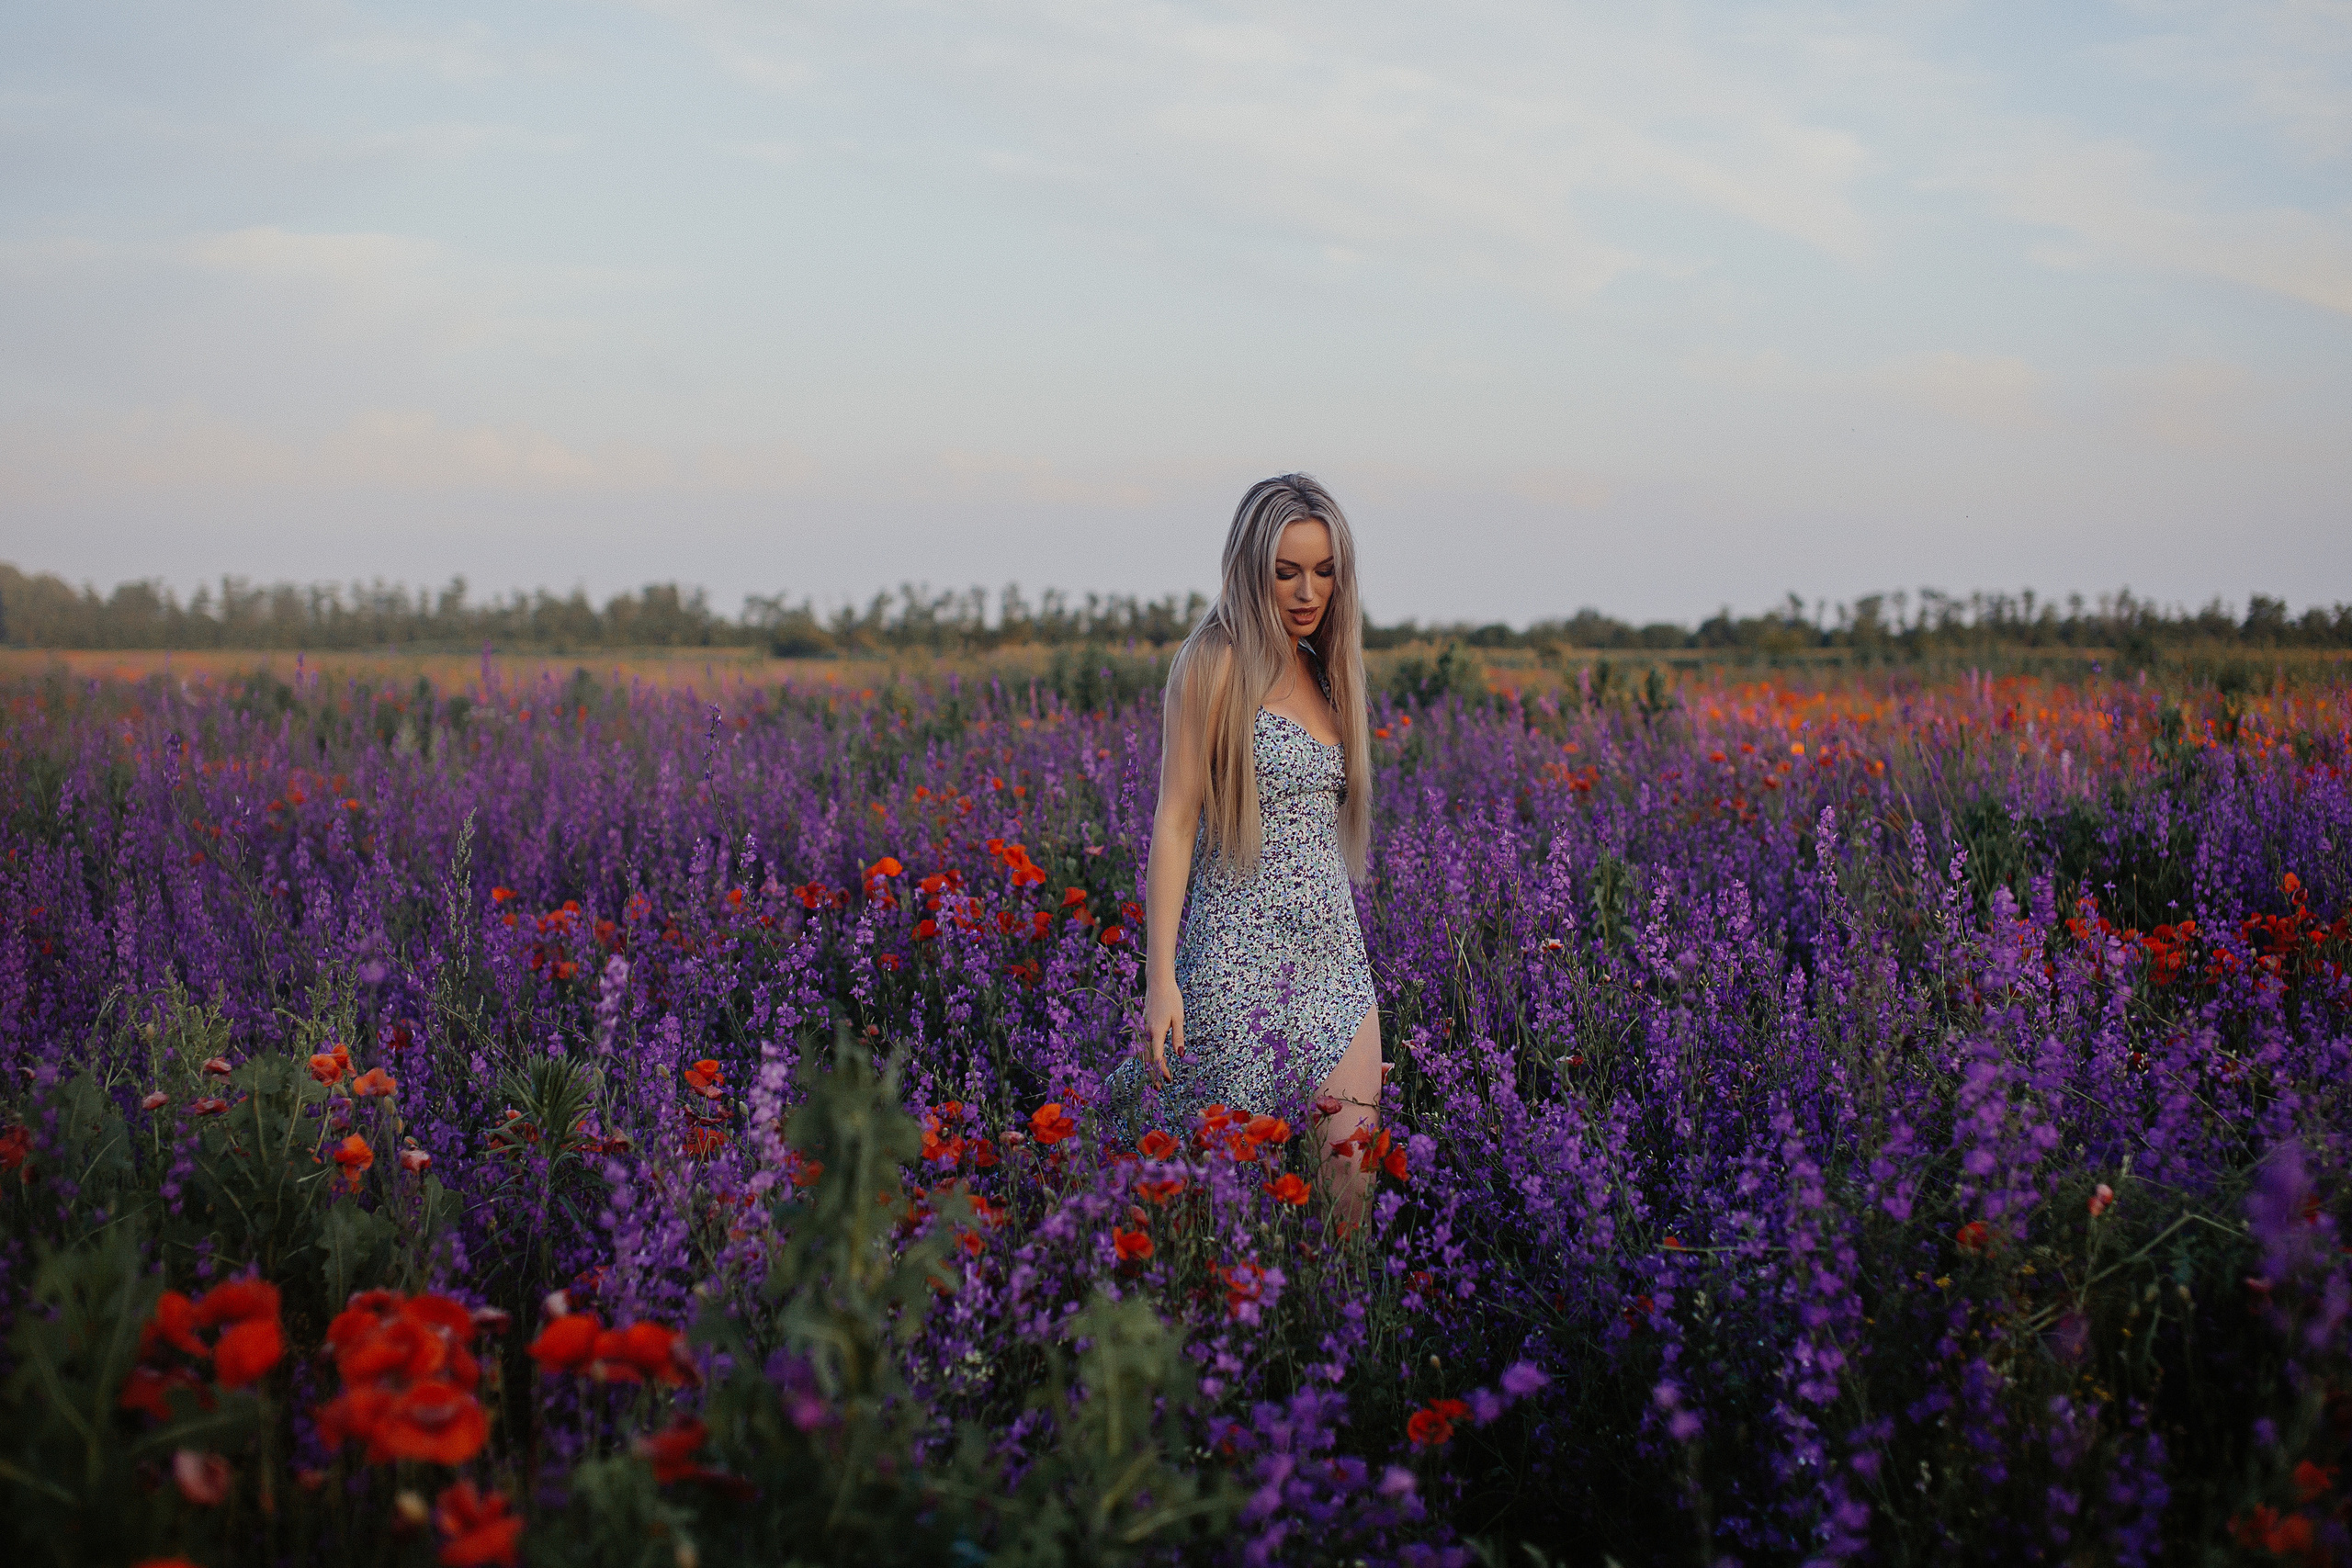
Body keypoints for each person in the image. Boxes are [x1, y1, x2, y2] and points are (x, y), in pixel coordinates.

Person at [1112, 473, 1383, 1210]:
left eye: (1324, 571)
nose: (1307, 591)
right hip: (1236, 962)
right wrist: (1159, 979)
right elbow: (1174, 822)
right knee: (1214, 1203)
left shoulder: (1329, 670)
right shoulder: (1215, 661)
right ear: (1250, 567)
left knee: (1350, 1197)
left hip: (1335, 961)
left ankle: (1343, 1327)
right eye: (1286, 571)